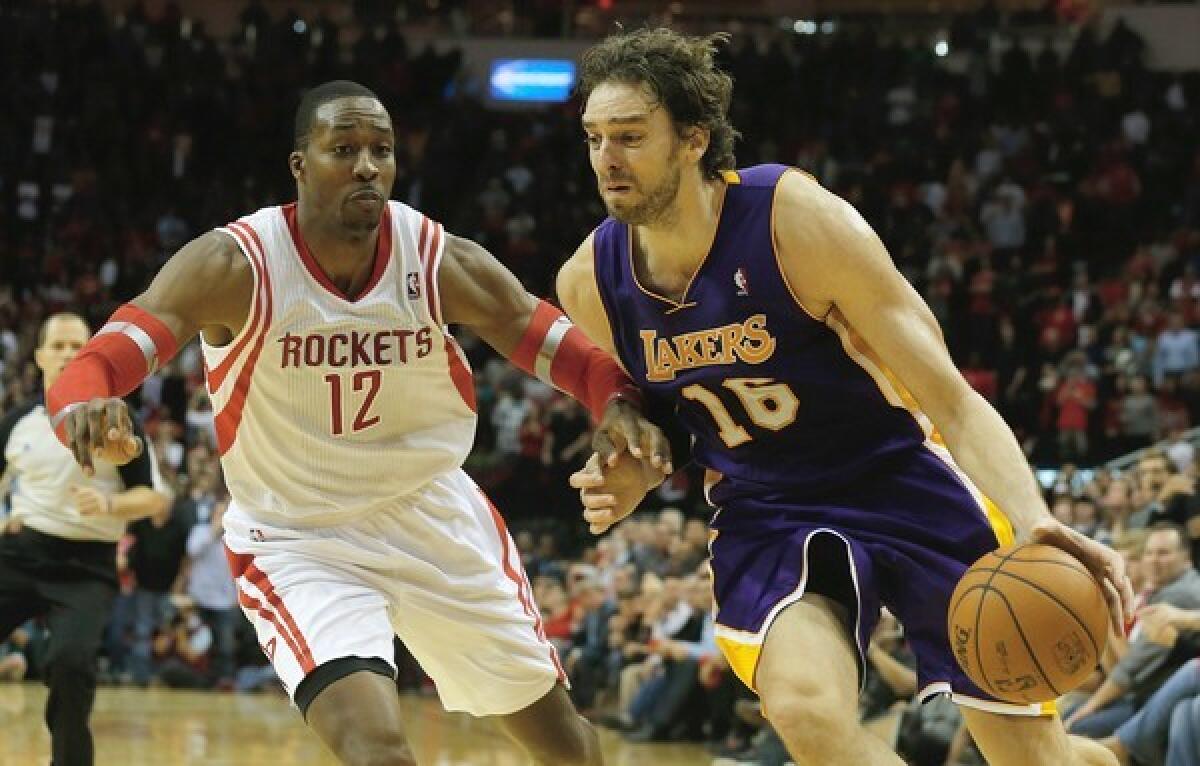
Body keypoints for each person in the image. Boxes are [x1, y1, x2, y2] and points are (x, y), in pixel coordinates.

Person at [45, 80, 667, 765]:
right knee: (378, 752)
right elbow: (107, 356)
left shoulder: (433, 258)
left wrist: (617, 402)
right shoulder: (235, 264)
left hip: (431, 516)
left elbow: (547, 337)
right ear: (300, 164)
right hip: (300, 536)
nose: (368, 165)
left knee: (570, 749)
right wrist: (83, 404)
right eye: (344, 148)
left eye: (382, 150)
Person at [556, 28, 1133, 766]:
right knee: (802, 707)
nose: (607, 159)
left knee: (1033, 757)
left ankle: (1104, 759)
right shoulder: (589, 282)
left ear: (694, 139)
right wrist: (640, 461)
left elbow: (950, 399)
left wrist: (1035, 519)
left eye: (630, 136)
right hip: (769, 507)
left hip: (898, 477)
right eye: (594, 138)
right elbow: (660, 417)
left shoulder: (792, 221)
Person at [0, 313, 171, 766]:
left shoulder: (118, 419)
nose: (68, 354)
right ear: (38, 357)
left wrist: (111, 505)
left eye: (78, 345)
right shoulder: (18, 421)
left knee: (72, 665)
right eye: (57, 346)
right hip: (20, 554)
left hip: (86, 568)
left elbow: (154, 500)